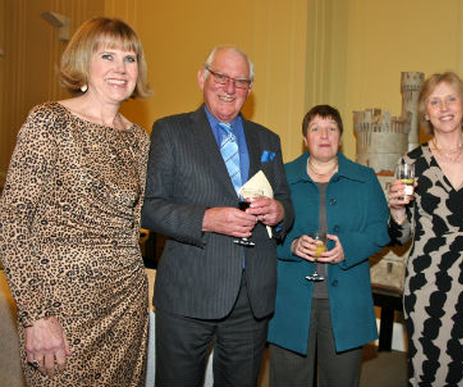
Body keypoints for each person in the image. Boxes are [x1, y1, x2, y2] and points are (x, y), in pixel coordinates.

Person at [0, 17, 151, 386]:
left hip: (127, 303)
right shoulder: (49, 121)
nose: (120, 68)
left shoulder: (139, 139)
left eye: (130, 59)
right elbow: (13, 221)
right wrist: (36, 315)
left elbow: (135, 226)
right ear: (85, 61)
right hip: (60, 310)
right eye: (108, 55)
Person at [141, 45, 293, 387]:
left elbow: (285, 201)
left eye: (240, 81)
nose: (229, 87)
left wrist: (279, 212)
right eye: (221, 76)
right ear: (202, 78)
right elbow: (149, 207)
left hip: (251, 299)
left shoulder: (268, 139)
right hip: (188, 295)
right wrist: (205, 219)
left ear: (249, 90)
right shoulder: (170, 131)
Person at [388, 72, 463, 386]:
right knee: (432, 368)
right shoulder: (411, 162)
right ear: (425, 113)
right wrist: (397, 210)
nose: (444, 107)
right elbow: (401, 237)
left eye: (451, 98)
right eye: (434, 101)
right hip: (429, 284)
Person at [267, 104, 390, 387]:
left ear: (341, 136)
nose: (324, 135)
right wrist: (291, 245)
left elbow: (382, 230)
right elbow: (262, 232)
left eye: (331, 128)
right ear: (305, 138)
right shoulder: (280, 177)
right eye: (316, 129)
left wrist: (351, 247)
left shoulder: (364, 178)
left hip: (346, 302)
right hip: (290, 301)